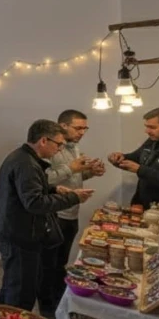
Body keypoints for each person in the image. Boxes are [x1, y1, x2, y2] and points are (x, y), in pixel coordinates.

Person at [0, 119, 93, 316]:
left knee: (13, 283)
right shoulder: (25, 163)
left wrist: (53, 188)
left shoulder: (24, 158)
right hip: (18, 234)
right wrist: (72, 197)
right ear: (44, 141)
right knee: (21, 291)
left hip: (14, 229)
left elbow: (29, 188)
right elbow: (34, 203)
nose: (59, 149)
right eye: (58, 144)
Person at [46, 110, 105, 301]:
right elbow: (45, 180)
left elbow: (73, 177)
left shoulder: (74, 148)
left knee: (61, 261)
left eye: (84, 129)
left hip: (72, 211)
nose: (82, 133)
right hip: (56, 214)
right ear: (63, 126)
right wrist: (72, 168)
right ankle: (49, 303)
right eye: (78, 128)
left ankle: (57, 298)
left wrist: (89, 172)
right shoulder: (51, 149)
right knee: (50, 263)